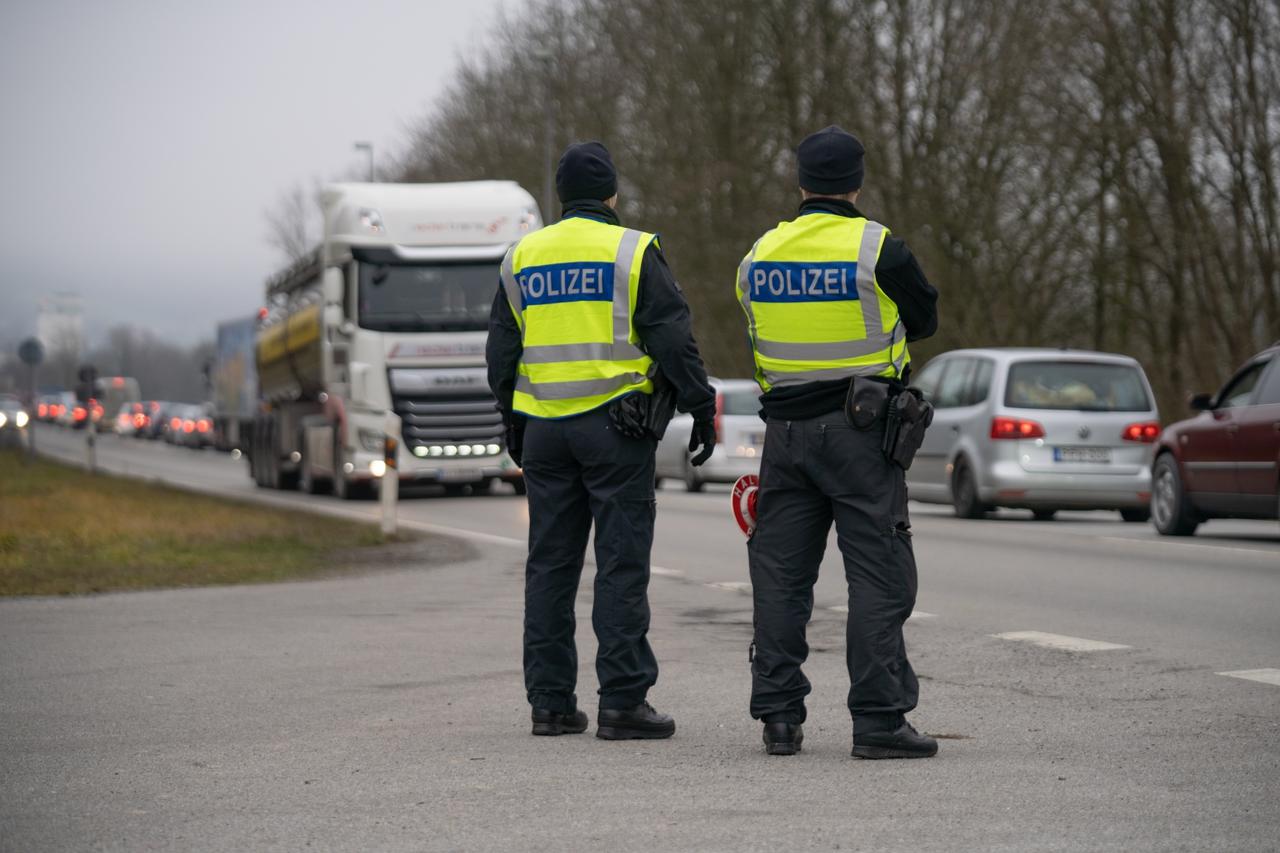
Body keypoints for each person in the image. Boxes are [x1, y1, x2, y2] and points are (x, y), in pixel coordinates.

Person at [487, 141, 717, 740]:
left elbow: (501, 356)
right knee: (619, 565)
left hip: (544, 433)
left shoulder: (521, 258)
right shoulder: (633, 251)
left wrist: (515, 422)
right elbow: (672, 339)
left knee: (550, 569)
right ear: (612, 195)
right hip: (617, 430)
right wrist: (701, 406)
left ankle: (550, 704)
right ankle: (622, 702)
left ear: (560, 197)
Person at [735, 125, 940, 758]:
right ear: (855, 182)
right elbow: (925, 317)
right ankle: (879, 722)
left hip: (786, 438)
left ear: (800, 182)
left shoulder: (758, 256)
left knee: (780, 579)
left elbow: (756, 329)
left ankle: (779, 719)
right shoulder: (876, 247)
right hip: (861, 434)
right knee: (877, 576)